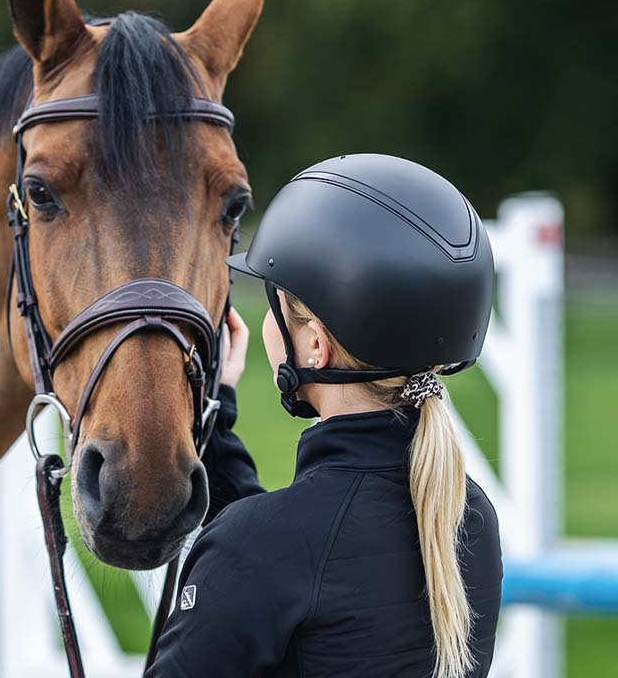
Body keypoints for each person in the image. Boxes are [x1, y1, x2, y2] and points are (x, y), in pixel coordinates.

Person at [146, 154, 503, 678]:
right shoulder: (467, 517)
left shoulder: (261, 545)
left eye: (275, 306)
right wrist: (216, 413)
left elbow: (283, 555)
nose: (266, 323)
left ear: (315, 344)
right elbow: (304, 554)